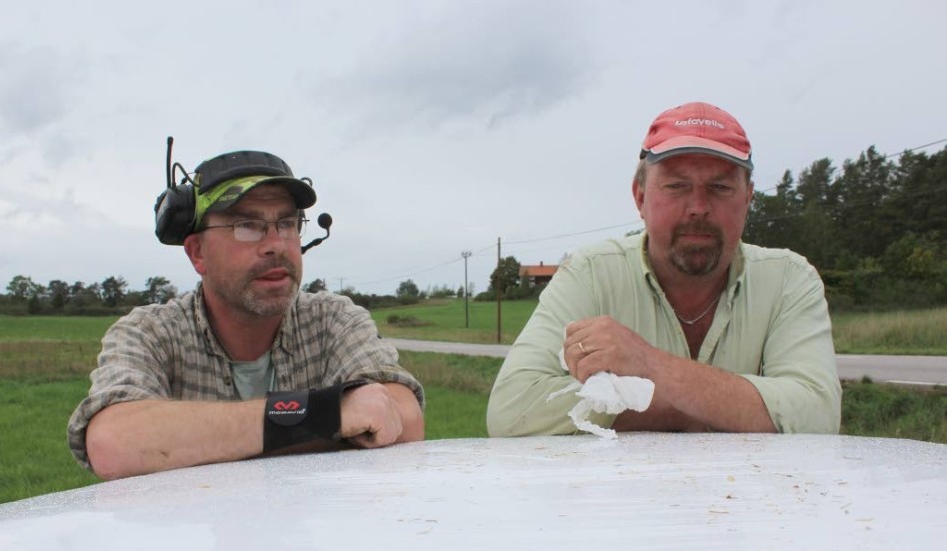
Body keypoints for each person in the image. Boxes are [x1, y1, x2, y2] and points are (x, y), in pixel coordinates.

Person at [487, 101, 841, 436]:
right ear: (640, 197)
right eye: (676, 186)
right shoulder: (590, 273)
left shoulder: (789, 279)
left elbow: (818, 416)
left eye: (719, 187)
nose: (698, 207)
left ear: (748, 199)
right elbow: (511, 411)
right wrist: (725, 408)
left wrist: (649, 367)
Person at [68, 148, 424, 480]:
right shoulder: (150, 332)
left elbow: (402, 419)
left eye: (287, 223)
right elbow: (113, 443)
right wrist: (324, 416)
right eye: (247, 226)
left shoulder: (334, 320)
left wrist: (189, 441)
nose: (276, 245)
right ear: (197, 254)